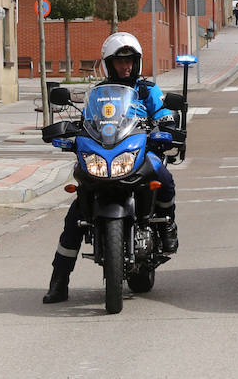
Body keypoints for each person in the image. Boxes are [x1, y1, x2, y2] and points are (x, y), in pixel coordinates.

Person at [43, 32, 180, 304]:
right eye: (119, 61)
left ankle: (167, 226)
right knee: (76, 215)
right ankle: (59, 281)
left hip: (139, 152)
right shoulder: (98, 94)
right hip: (104, 154)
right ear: (109, 63)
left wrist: (167, 126)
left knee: (163, 177)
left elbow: (164, 114)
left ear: (137, 62)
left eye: (130, 61)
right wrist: (70, 133)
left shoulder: (146, 90)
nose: (125, 66)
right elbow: (87, 122)